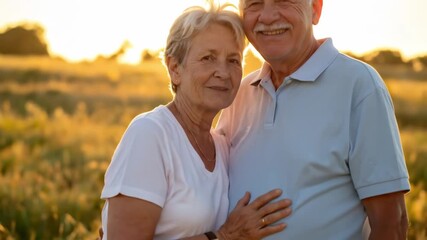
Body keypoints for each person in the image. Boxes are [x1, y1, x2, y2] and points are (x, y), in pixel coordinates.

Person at [216, 0, 410, 239]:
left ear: (315, 9)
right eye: (254, 4)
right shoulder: (239, 92)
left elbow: (391, 222)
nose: (266, 17)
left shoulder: (359, 85)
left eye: (283, 1)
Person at [100, 1, 292, 240]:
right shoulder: (150, 134)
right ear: (174, 68)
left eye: (233, 60)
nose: (222, 72)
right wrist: (225, 236)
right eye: (208, 58)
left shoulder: (222, 146)